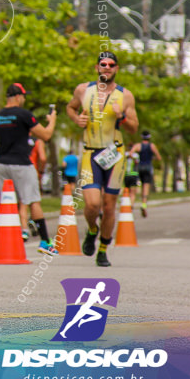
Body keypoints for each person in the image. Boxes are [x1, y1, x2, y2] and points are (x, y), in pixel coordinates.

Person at [66, 51, 139, 267]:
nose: (106, 67)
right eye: (103, 64)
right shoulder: (82, 90)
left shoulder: (125, 95)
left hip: (114, 154)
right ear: (97, 67)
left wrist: (122, 117)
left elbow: (134, 128)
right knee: (92, 204)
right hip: (91, 152)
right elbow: (70, 107)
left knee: (108, 206)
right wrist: (76, 118)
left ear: (116, 69)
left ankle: (103, 249)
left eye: (111, 64)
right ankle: (92, 230)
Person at [0, 83, 58, 256]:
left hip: (3, 164)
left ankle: (9, 242)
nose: (24, 100)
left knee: (9, 203)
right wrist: (52, 121)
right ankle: (45, 241)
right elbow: (46, 135)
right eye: (24, 97)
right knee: (33, 201)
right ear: (18, 96)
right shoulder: (24, 115)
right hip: (22, 164)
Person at [128, 131, 161, 217]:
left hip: (138, 167)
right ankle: (144, 205)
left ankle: (131, 205)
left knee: (134, 188)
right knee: (145, 187)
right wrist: (152, 158)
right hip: (148, 167)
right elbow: (158, 157)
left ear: (141, 137)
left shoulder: (138, 145)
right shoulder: (152, 146)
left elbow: (130, 154)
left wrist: (135, 159)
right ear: (149, 137)